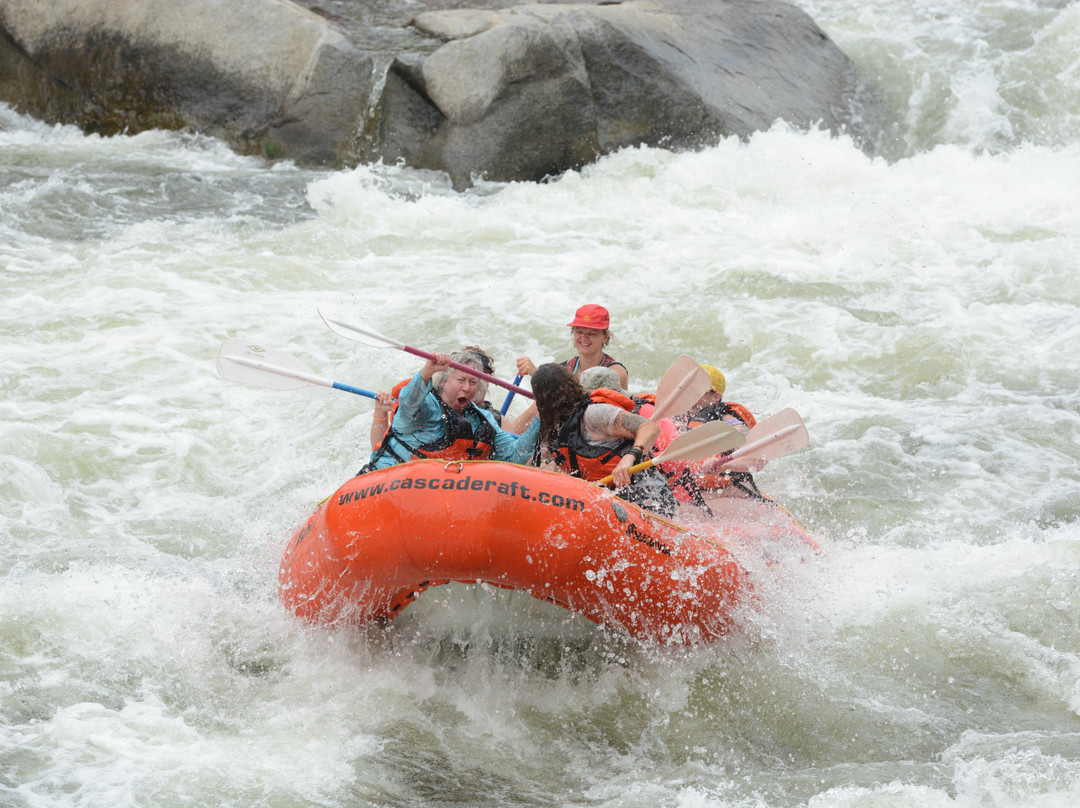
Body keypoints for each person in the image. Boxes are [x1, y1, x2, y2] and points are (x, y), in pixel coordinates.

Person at [530, 362, 676, 517]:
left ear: (543, 399)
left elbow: (649, 427)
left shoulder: (594, 414)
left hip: (646, 498)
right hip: (605, 502)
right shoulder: (556, 431)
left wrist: (631, 456)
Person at [360, 351, 538, 473]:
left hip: (437, 492)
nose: (467, 388)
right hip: (389, 479)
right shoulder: (426, 405)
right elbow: (408, 405)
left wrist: (541, 416)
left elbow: (514, 457)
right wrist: (427, 371)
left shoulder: (484, 419)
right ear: (444, 381)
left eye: (473, 382)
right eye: (461, 380)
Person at [516, 304, 629, 390]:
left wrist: (538, 376)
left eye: (591, 333)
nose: (584, 337)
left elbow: (583, 401)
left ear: (605, 338)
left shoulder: (616, 372)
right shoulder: (564, 369)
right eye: (579, 331)